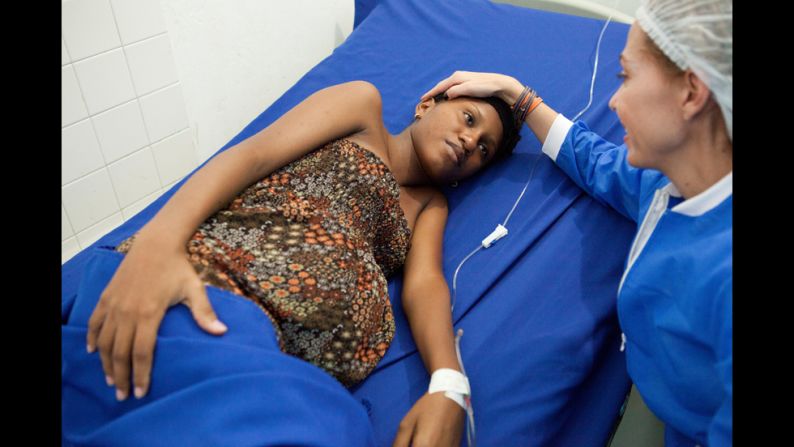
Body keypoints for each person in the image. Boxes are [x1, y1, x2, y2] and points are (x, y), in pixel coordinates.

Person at [75, 79, 520, 446]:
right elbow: (254, 156)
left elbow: (425, 285)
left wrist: (449, 382)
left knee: (338, 429)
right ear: (426, 104)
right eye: (469, 119)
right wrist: (159, 244)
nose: (470, 141)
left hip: (273, 353)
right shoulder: (363, 110)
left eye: (484, 150)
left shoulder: (430, 207)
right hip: (213, 286)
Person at [420, 0, 732, 445]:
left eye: (625, 75)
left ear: (691, 93)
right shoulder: (675, 179)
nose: (614, 100)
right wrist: (519, 97)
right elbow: (601, 163)